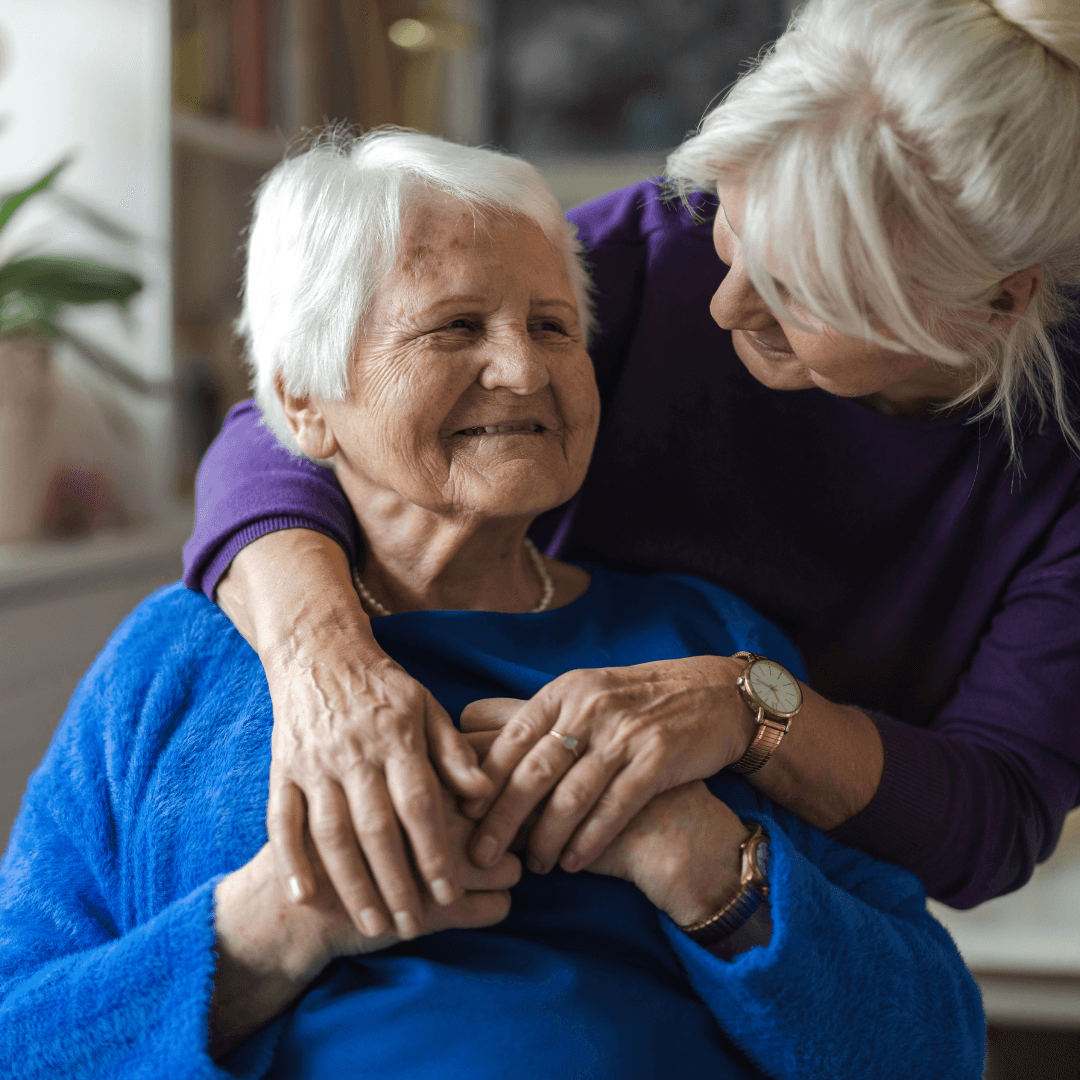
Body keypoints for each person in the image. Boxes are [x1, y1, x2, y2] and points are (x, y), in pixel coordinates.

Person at [0, 132, 983, 1079]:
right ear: (303, 399)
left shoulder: (708, 647)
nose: (524, 369)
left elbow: (936, 1046)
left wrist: (702, 859)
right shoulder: (176, 661)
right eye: (455, 326)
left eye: (553, 326)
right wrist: (278, 924)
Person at [185, 0, 1080, 926]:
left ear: (993, 305)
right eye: (732, 234)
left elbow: (995, 814)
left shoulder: (1061, 468)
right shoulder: (658, 250)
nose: (727, 306)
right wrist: (326, 669)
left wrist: (748, 711)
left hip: (787, 884)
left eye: (799, 291)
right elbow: (295, 414)